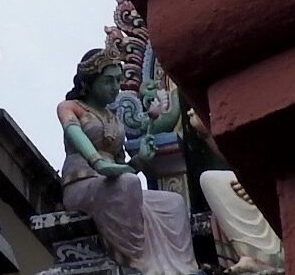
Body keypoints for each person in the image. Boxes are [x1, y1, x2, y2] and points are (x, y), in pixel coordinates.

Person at [57, 49, 199, 275]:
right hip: (82, 185)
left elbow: (125, 167)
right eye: (108, 81)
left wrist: (141, 159)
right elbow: (74, 132)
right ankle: (137, 260)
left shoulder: (113, 118)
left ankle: (183, 268)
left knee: (173, 203)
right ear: (88, 83)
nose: (115, 87)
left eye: (118, 80)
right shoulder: (70, 107)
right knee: (128, 183)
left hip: (113, 185)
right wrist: (99, 164)